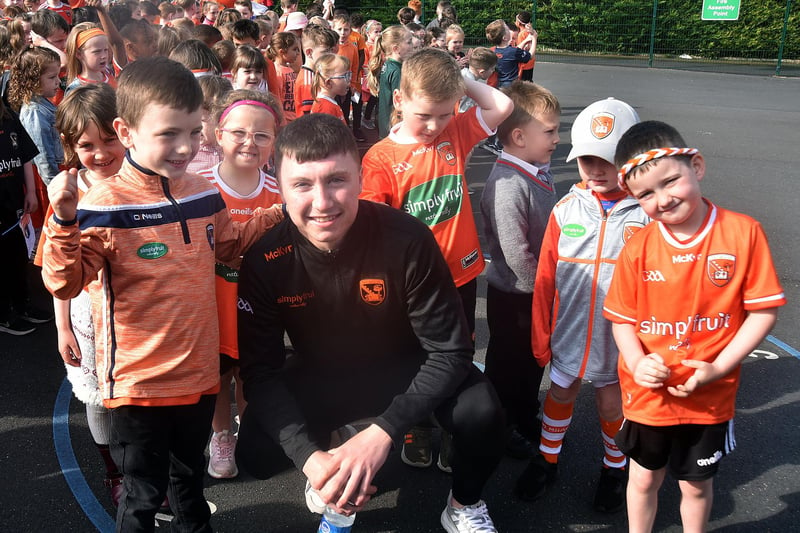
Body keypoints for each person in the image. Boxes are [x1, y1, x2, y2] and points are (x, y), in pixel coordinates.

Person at [41, 56, 283, 531]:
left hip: (197, 375)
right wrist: (64, 220)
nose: (185, 147)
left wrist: (280, 212)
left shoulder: (201, 192)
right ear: (126, 131)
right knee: (142, 496)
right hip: (139, 386)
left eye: (194, 133)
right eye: (169, 134)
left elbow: (229, 246)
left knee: (190, 488)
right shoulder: (101, 205)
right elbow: (65, 281)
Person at [236, 113, 506, 533]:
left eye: (337, 180)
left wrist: (381, 434)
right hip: (323, 372)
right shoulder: (264, 260)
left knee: (483, 413)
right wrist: (313, 461)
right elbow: (260, 372)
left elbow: (451, 351)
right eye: (303, 185)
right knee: (256, 452)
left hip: (407, 364)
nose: (323, 202)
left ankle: (462, 504)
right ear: (281, 188)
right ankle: (333, 460)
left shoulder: (408, 239)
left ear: (360, 178)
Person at [603, 120, 785, 533]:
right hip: (648, 395)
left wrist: (719, 368)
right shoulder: (638, 248)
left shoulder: (743, 234)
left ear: (696, 166)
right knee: (644, 477)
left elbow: (762, 312)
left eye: (670, 182)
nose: (663, 199)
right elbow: (622, 319)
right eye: (646, 194)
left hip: (709, 396)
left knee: (697, 486)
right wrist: (635, 361)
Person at [361, 47, 513, 471]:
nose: (434, 126)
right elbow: (374, 229)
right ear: (400, 100)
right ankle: (418, 426)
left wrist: (459, 79)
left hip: (461, 277)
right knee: (418, 360)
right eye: (424, 114)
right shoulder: (381, 159)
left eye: (445, 114)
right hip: (416, 288)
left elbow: (502, 104)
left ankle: (452, 429)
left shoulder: (455, 135)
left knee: (459, 354)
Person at [515, 98, 646, 514]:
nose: (595, 169)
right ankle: (548, 459)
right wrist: (541, 336)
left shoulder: (646, 217)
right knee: (560, 391)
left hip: (618, 340)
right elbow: (545, 280)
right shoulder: (566, 209)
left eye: (606, 160)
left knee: (611, 403)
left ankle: (614, 467)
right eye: (587, 159)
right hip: (570, 330)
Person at [38, 84, 127, 503]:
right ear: (71, 145)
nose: (102, 153)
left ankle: (144, 464)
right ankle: (114, 471)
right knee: (96, 396)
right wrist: (61, 328)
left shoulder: (142, 179)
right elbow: (57, 271)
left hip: (137, 310)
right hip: (86, 317)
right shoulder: (68, 193)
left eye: (109, 140)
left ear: (126, 131)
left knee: (138, 394)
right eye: (88, 145)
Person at [196, 89, 283, 480]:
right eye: (239, 132)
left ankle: (249, 433)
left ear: (274, 141)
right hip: (212, 307)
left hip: (259, 310)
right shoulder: (198, 189)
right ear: (217, 133)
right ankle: (222, 435)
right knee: (216, 380)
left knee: (253, 377)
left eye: (262, 135)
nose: (250, 142)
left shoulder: (282, 192)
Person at [479, 81, 560, 463]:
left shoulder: (537, 169)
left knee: (532, 361)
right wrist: (543, 289)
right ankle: (503, 424)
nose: (557, 139)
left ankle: (526, 414)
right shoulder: (507, 184)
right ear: (518, 136)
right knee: (508, 365)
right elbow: (514, 252)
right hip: (516, 294)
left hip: (534, 291)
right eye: (550, 131)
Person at [0, 76, 47, 336]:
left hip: (15, 205)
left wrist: (30, 190)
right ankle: (4, 314)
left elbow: (26, 155)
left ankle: (23, 304)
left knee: (17, 257)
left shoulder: (8, 116)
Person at [366, 24, 413, 139]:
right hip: (394, 127)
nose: (412, 46)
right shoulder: (397, 71)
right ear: (396, 49)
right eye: (409, 42)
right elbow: (400, 103)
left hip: (385, 125)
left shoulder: (387, 65)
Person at [294, 23, 337, 117]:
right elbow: (309, 116)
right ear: (309, 52)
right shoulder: (307, 81)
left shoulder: (313, 74)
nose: (330, 55)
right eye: (325, 51)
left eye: (330, 50)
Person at [268, 31, 300, 122]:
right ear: (282, 52)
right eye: (294, 49)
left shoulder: (289, 68)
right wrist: (281, 120)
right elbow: (276, 98)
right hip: (285, 120)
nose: (298, 53)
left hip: (294, 118)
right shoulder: (278, 71)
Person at [310, 53, 350, 123]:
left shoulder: (328, 103)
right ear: (328, 83)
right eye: (344, 76)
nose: (349, 79)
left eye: (349, 74)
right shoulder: (325, 108)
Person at [458, 47, 496, 114]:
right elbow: (463, 111)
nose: (493, 71)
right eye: (492, 69)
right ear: (482, 72)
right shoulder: (471, 85)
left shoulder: (463, 73)